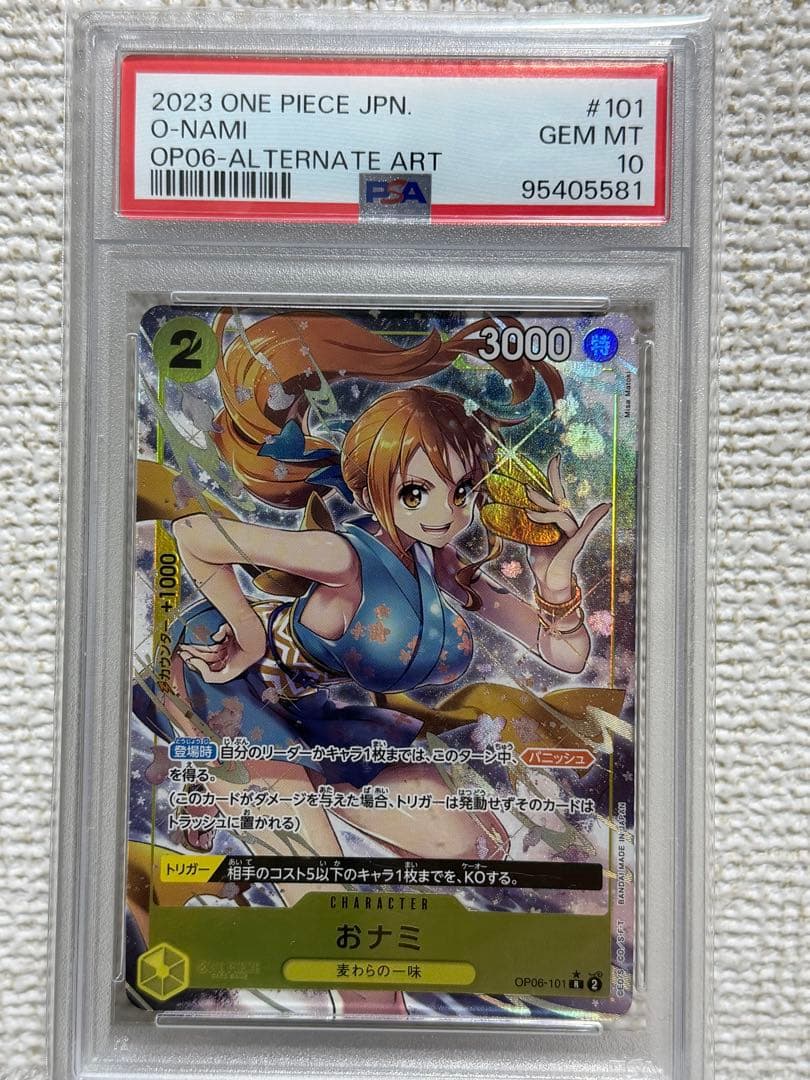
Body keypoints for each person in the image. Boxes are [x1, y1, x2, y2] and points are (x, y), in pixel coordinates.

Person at [135, 309, 611, 884]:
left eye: (462, 490)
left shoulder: (441, 565)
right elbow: (196, 535)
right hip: (219, 678)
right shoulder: (344, 557)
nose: (446, 513)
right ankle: (225, 778)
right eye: (415, 492)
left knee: (474, 846)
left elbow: (566, 655)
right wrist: (249, 632)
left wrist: (555, 586)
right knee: (318, 881)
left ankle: (240, 788)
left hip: (301, 708)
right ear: (373, 490)